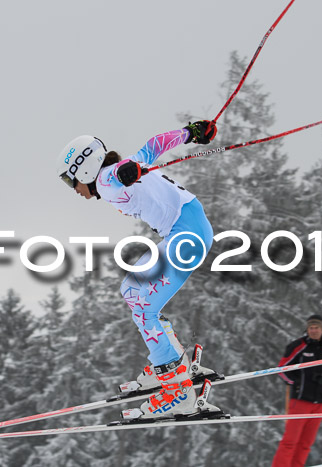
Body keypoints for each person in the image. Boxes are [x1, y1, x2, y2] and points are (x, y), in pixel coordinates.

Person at [56, 121, 218, 421]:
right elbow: (155, 144)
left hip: (187, 237)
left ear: (86, 169)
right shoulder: (123, 169)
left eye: (71, 181)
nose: (74, 189)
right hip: (186, 231)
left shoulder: (106, 179)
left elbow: (118, 173)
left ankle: (178, 392)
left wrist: (123, 172)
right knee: (131, 290)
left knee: (144, 309)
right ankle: (170, 363)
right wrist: (190, 132)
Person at [271, 315, 322, 467]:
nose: (313, 331)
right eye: (310, 328)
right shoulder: (298, 346)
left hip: (320, 403)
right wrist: (298, 383)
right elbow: (281, 369)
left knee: (306, 444)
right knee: (290, 441)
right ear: (307, 329)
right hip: (300, 401)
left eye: (316, 328)